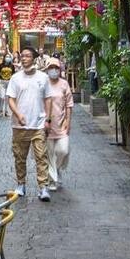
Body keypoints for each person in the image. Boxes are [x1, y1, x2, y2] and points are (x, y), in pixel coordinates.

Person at [6, 46, 54, 202]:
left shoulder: (43, 78)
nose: (24, 58)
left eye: (27, 56)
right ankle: (21, 184)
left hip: (38, 124)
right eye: (23, 56)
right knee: (20, 157)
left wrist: (48, 119)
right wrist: (18, 114)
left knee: (41, 156)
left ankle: (43, 187)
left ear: (34, 58)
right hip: (19, 126)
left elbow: (48, 99)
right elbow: (10, 99)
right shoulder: (15, 78)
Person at [43, 58, 73, 191]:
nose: (53, 70)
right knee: (48, 154)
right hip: (46, 126)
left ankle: (57, 168)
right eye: (51, 67)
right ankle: (52, 179)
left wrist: (68, 121)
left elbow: (69, 105)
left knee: (63, 150)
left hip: (61, 125)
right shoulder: (43, 84)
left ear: (59, 69)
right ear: (47, 69)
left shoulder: (64, 84)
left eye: (56, 67)